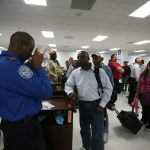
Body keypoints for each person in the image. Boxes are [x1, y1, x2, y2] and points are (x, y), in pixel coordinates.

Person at [0, 31, 52, 150]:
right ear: (18, 45)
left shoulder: (4, 62)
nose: (30, 55)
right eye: (30, 49)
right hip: (23, 127)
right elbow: (46, 92)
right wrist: (38, 67)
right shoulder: (14, 67)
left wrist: (29, 68)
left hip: (11, 123)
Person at [65, 51, 113, 150]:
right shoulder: (75, 72)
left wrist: (102, 105)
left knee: (97, 133)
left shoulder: (99, 71)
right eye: (78, 57)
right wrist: (70, 93)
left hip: (97, 106)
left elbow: (108, 88)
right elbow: (68, 85)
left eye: (82, 57)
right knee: (84, 130)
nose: (79, 58)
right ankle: (87, 147)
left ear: (88, 58)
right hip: (82, 105)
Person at [91, 53, 114, 143]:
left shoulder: (106, 69)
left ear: (101, 59)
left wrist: (106, 99)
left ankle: (105, 132)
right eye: (93, 58)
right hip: (94, 98)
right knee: (94, 115)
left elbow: (111, 84)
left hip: (103, 98)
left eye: (96, 58)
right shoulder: (91, 69)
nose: (94, 60)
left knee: (104, 116)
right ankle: (95, 132)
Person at [135, 61, 150, 131]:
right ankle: (144, 119)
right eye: (149, 66)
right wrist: (137, 93)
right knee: (144, 108)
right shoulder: (143, 74)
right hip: (143, 95)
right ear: (147, 66)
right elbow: (139, 84)